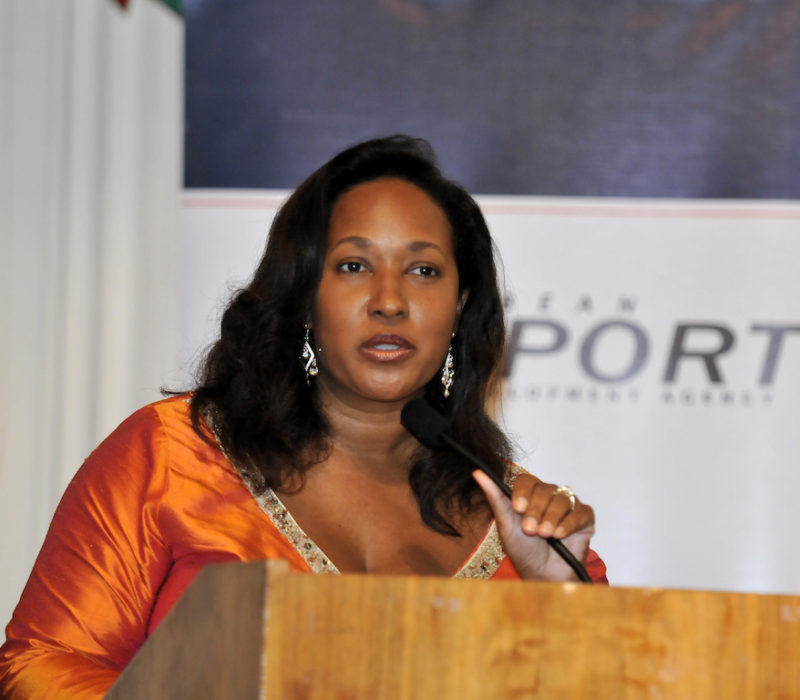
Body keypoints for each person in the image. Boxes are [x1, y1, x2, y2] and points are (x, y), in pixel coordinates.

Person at [0, 135, 607, 697]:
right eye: (353, 266)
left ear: (460, 305)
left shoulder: (526, 525)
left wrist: (559, 602)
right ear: (305, 297)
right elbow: (41, 664)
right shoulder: (173, 455)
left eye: (423, 271)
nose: (390, 301)